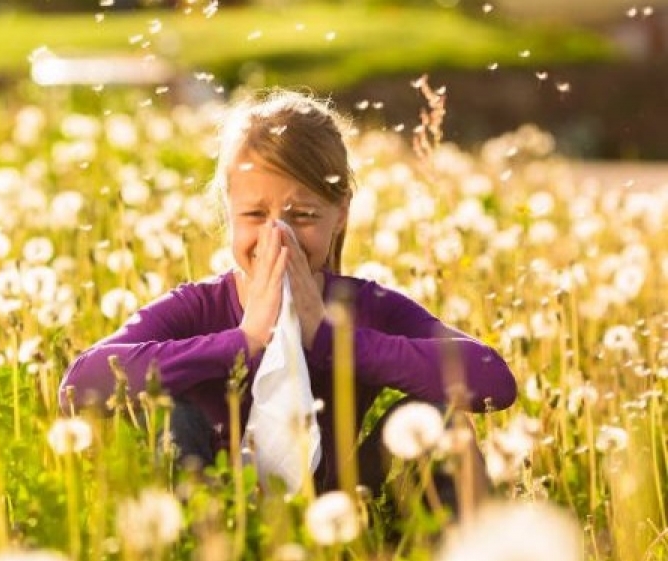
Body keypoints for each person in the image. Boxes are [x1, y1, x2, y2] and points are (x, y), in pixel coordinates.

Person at [59, 89, 517, 500]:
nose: (277, 236)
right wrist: (243, 342)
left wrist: (331, 338)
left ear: (340, 215)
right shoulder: (199, 306)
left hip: (343, 506)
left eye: (302, 216)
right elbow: (80, 385)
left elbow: (493, 380)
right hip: (213, 505)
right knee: (168, 415)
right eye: (255, 214)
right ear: (228, 212)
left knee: (440, 421)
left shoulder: (363, 307)